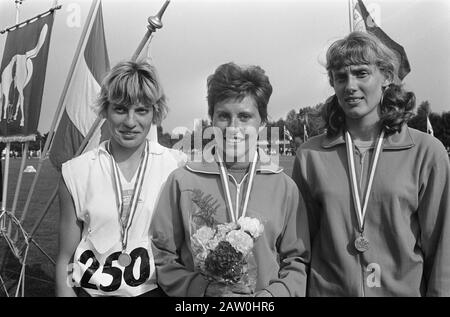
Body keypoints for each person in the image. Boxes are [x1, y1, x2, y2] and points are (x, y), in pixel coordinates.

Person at [292, 31, 450, 296]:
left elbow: (443, 246)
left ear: (386, 77)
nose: (350, 86)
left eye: (361, 73)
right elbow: (300, 247)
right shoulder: (310, 155)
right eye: (341, 77)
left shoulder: (426, 152)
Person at [150, 62, 310, 297]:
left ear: (262, 122)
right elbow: (162, 255)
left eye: (245, 116)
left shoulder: (284, 187)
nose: (233, 128)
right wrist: (202, 290)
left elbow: (297, 261)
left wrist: (272, 296)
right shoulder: (182, 181)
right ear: (211, 119)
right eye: (224, 116)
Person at [56, 60, 185, 297]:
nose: (130, 122)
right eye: (121, 109)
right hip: (90, 291)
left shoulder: (177, 166)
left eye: (141, 110)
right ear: (105, 110)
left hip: (156, 291)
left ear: (155, 112)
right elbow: (66, 258)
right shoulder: (76, 172)